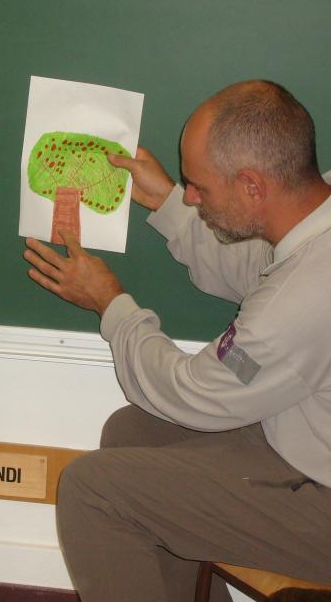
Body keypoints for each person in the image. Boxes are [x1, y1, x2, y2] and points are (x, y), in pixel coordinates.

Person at [23, 80, 331, 601]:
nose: (191, 195)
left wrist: (111, 304)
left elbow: (192, 394)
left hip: (320, 498)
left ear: (253, 185)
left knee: (91, 491)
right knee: (132, 430)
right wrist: (167, 202)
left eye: (198, 187)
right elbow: (259, 269)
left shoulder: (299, 301)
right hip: (305, 440)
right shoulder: (312, 215)